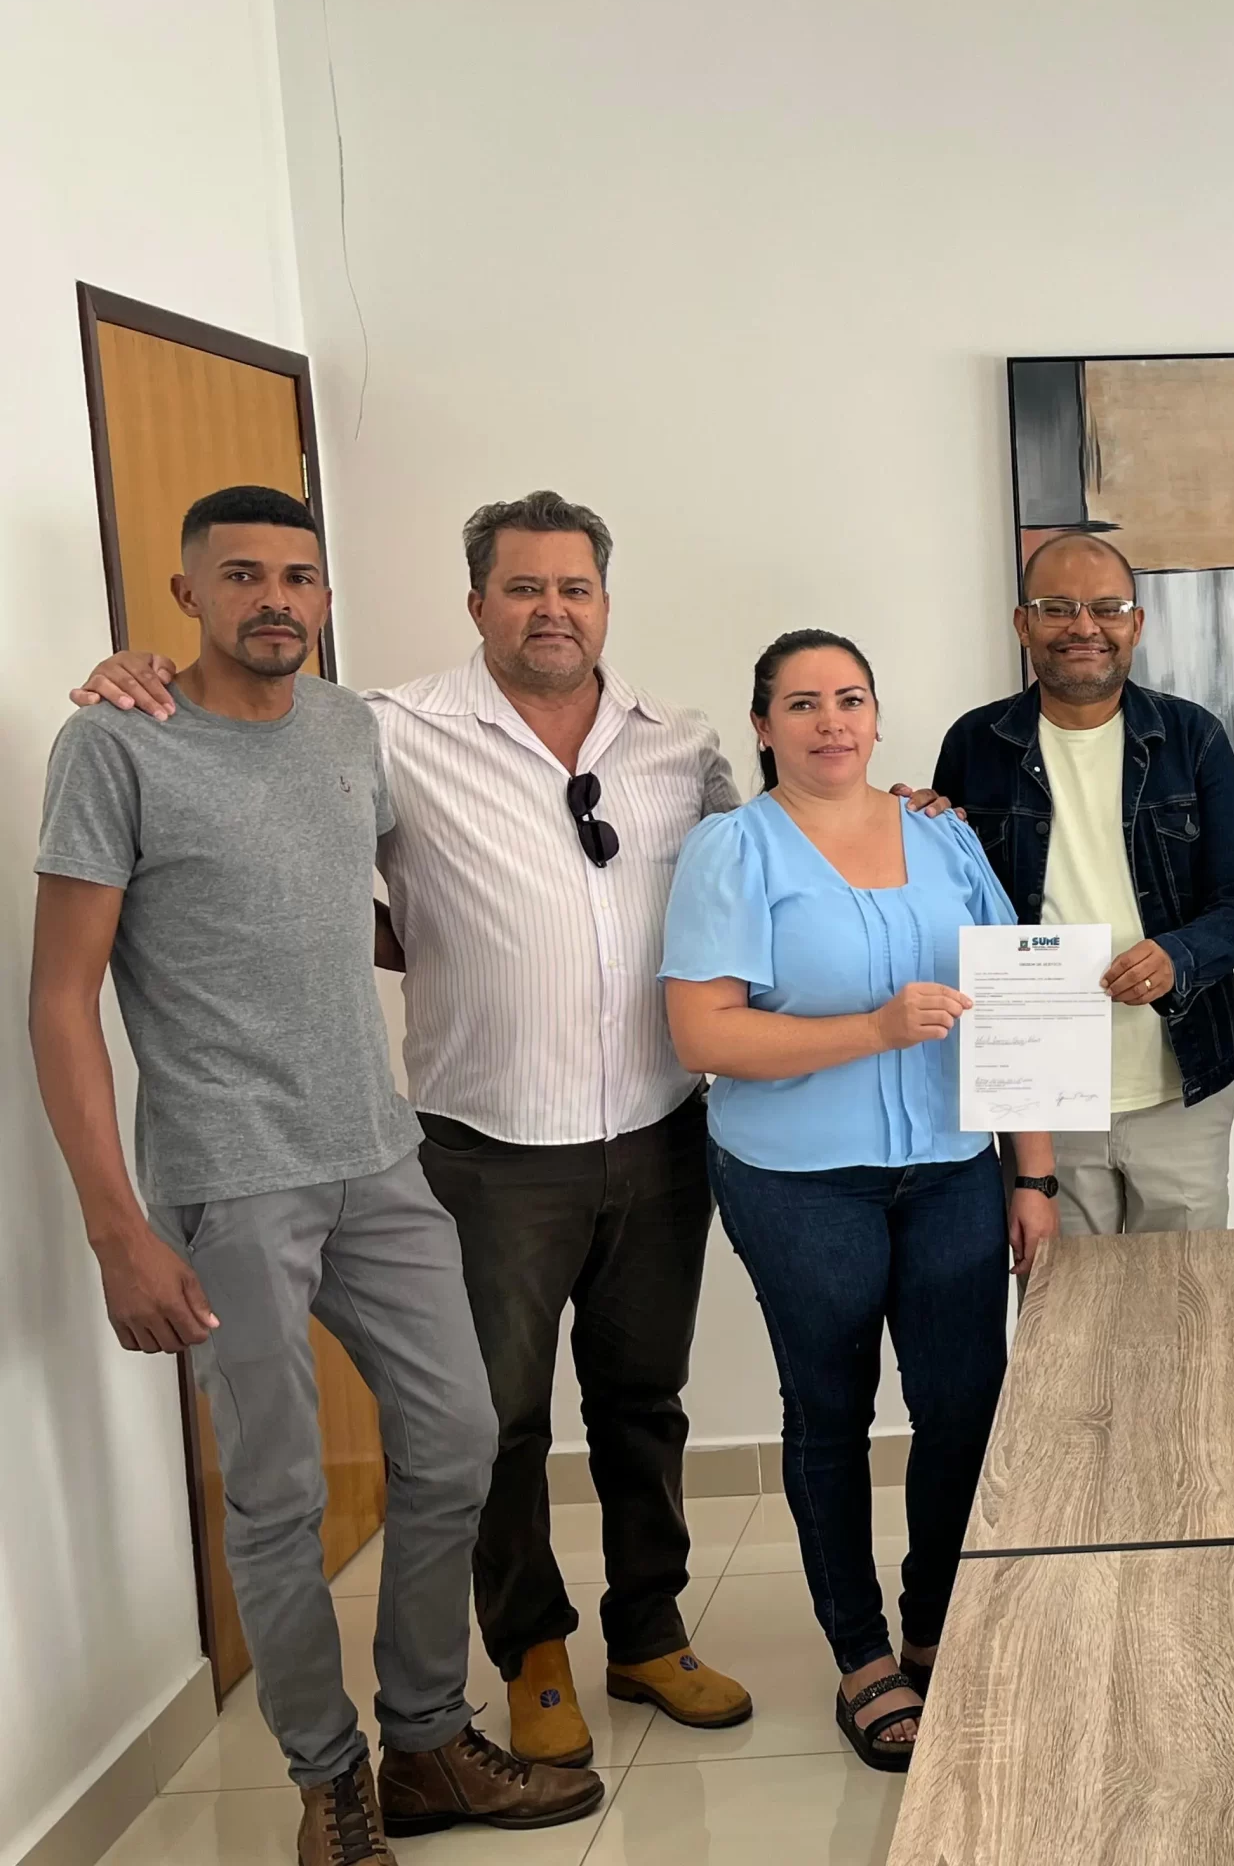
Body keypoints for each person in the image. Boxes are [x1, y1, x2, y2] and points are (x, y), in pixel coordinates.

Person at [76, 490, 754, 1769]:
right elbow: (281, 804)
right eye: (523, 587)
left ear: (605, 602)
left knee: (641, 1401)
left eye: (574, 588)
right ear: (477, 602)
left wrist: (894, 805)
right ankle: (531, 1650)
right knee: (496, 1420)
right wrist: (136, 674)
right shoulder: (390, 727)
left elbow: (765, 869)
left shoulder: (683, 742)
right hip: (485, 1144)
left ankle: (649, 1631)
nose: (551, 610)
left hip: (659, 1129)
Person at [31, 487, 600, 1866]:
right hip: (228, 1179)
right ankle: (328, 1780)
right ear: (188, 595)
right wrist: (116, 1231)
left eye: (298, 577)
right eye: (241, 576)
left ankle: (425, 1744)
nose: (274, 599)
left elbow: (354, 905)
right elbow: (59, 1001)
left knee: (457, 1440)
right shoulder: (116, 741)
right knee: (278, 1493)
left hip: (381, 1157)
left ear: (326, 597)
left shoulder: (350, 729)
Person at [660, 629, 1060, 1772]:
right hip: (798, 1182)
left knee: (964, 1408)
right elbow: (705, 1035)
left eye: (849, 699)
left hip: (950, 1169)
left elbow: (1013, 1000)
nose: (830, 722)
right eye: (801, 704)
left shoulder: (943, 835)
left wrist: (1031, 1172)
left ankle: (936, 1623)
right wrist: (874, 1030)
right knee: (830, 1413)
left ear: (877, 716)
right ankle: (862, 1654)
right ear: (762, 726)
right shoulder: (733, 850)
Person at [923, 532, 1234, 1234]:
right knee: (1068, 1300)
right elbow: (949, 906)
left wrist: (1178, 956)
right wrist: (911, 824)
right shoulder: (975, 745)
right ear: (1023, 624)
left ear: (1137, 625)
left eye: (1107, 608)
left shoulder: (1193, 738)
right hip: (1040, 1095)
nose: (1084, 627)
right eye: (1057, 607)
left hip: (1179, 1086)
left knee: (1190, 1297)